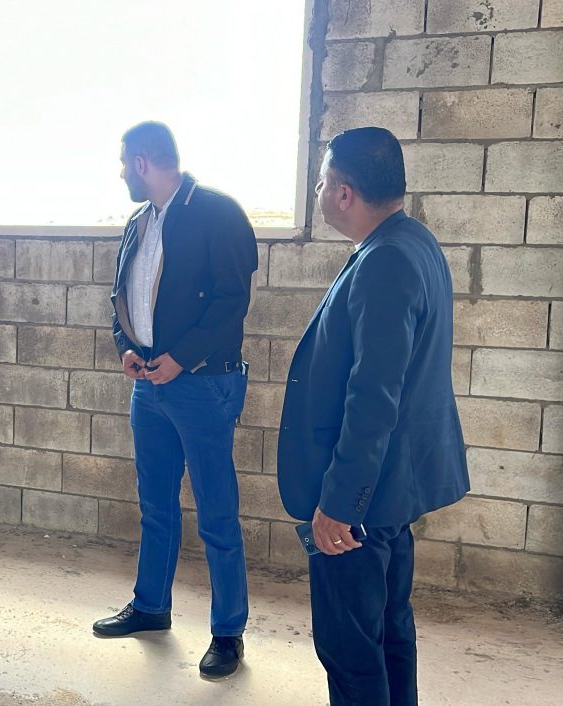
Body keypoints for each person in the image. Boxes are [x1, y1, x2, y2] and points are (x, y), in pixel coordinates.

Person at [277, 127, 469, 705]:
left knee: (351, 649)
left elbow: (373, 398)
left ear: (343, 193)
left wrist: (340, 504)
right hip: (390, 490)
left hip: (363, 499)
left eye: (321, 182)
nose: (317, 192)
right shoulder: (412, 240)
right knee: (388, 633)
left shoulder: (385, 260)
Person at [93, 121, 258, 679]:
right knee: (156, 504)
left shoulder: (218, 212)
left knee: (216, 511)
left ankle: (228, 632)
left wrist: (181, 358)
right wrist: (126, 346)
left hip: (202, 384)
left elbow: (232, 301)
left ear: (142, 162)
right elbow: (121, 296)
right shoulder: (140, 222)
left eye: (124, 163)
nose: (121, 172)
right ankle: (150, 606)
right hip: (148, 382)